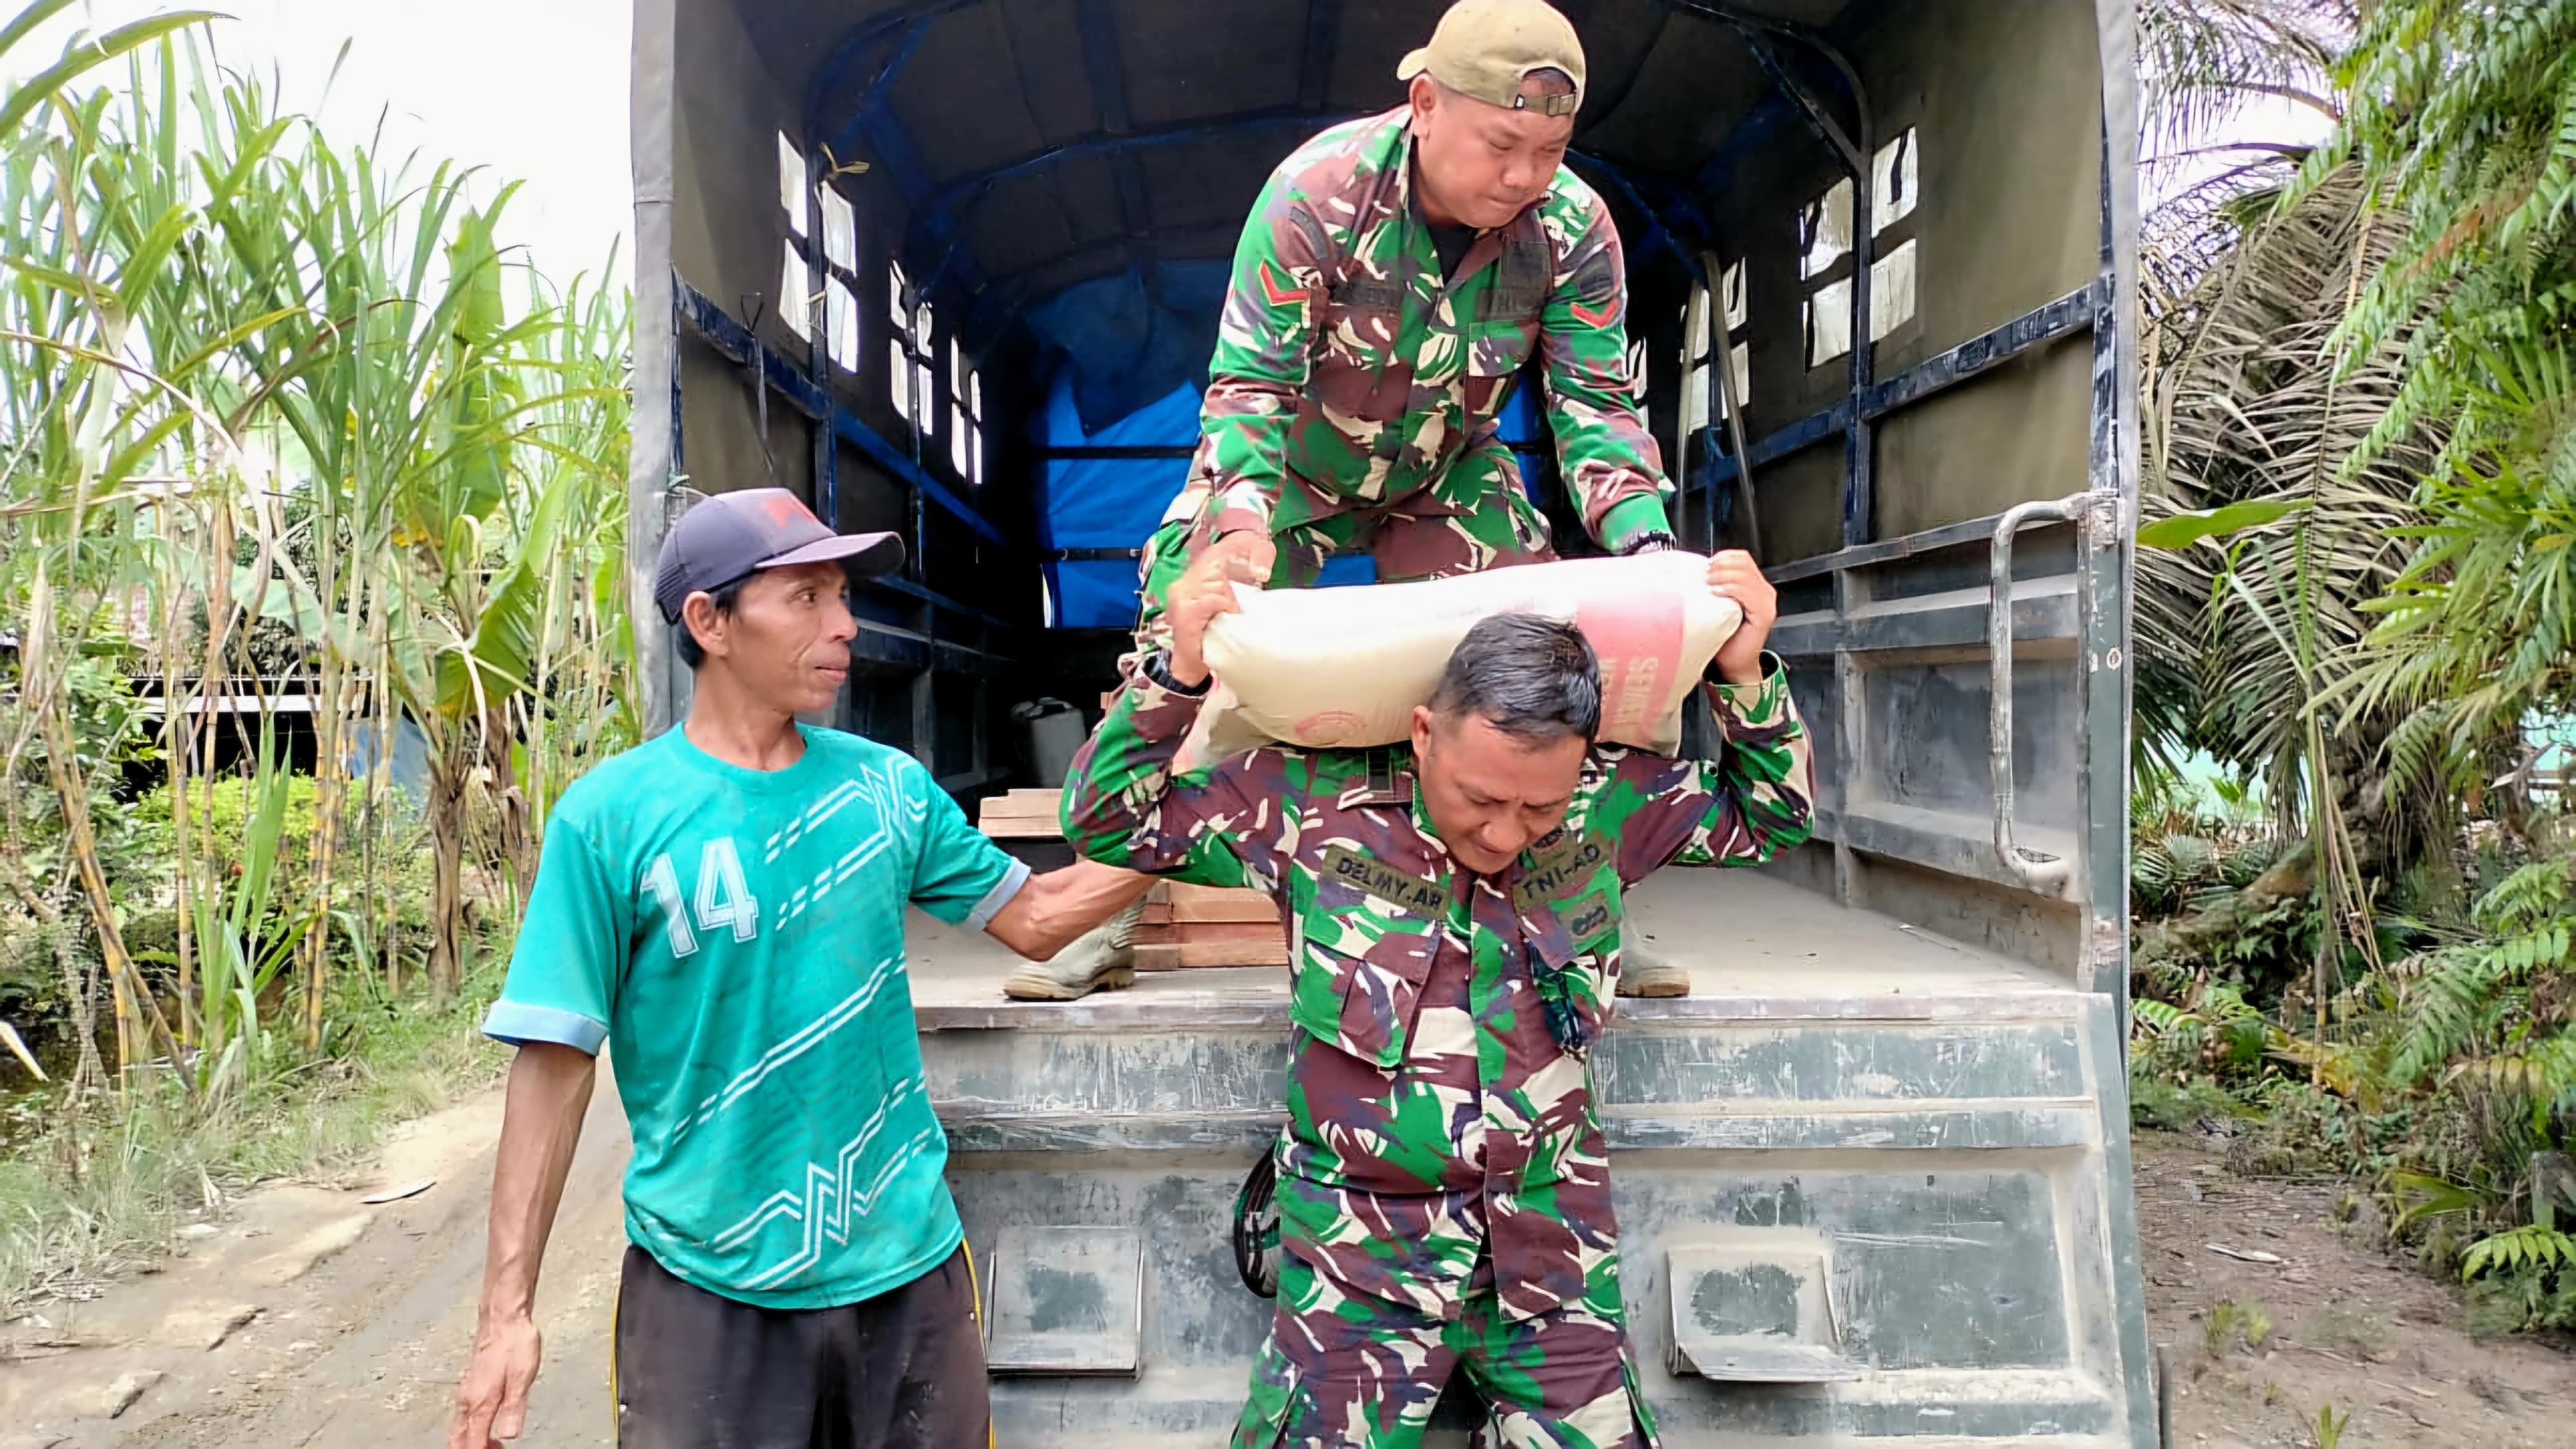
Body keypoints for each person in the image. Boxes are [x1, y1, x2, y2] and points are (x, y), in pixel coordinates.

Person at [1012, 0, 1697, 1003]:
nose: (1524, 177)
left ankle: (1578, 905)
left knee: (1540, 666)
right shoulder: (1318, 195)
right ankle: (1114, 905)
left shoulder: (1571, 228)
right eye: (1502, 145)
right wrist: (1237, 520)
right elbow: (1249, 387)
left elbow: (1595, 403)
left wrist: (1647, 549)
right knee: (1189, 626)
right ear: (1425, 104)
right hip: (1293, 464)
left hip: (1444, 470)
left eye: (1549, 151)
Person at [1061, 545, 1815, 1448]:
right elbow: (1109, 819)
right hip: (1361, 1263)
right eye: (1479, 797)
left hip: (1550, 1258)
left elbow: (1770, 816)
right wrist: (1175, 674)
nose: (1504, 832)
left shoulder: (1607, 803)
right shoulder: (1309, 806)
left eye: (1539, 811)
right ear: (1423, 733)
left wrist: (1744, 671)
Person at [446, 488, 1144, 1449]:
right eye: (807, 597)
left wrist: (1202, 823)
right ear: (710, 621)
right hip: (707, 1293)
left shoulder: (888, 789)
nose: (846, 624)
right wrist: (506, 1315)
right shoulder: (612, 819)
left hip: (908, 1275)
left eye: (843, 596)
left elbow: (1039, 918)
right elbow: (555, 1065)